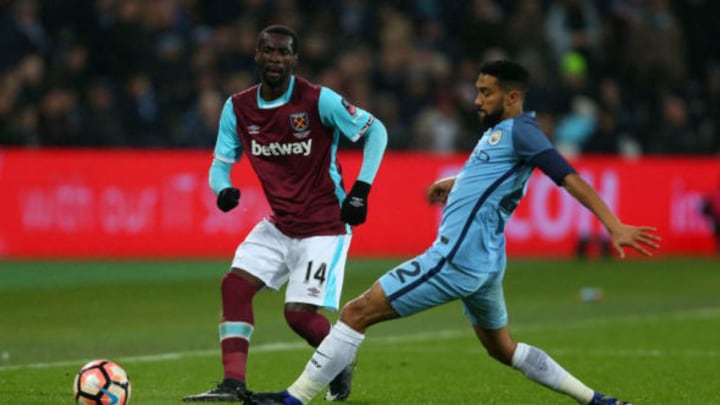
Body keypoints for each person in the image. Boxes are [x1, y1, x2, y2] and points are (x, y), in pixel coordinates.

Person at [247, 60, 661, 405]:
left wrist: (613, 225)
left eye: (486, 93)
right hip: (486, 260)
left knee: (357, 312)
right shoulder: (501, 134)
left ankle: (292, 398)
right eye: (478, 91)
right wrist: (456, 183)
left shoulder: (523, 131)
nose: (477, 100)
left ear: (512, 97)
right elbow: (490, 174)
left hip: (456, 258)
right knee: (503, 349)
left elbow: (566, 177)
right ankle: (596, 400)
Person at [182, 25, 388, 402]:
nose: (275, 59)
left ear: (295, 59)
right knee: (235, 285)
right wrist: (222, 188)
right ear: (256, 55)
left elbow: (378, 132)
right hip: (281, 223)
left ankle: (340, 359)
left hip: (325, 226)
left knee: (298, 315)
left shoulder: (318, 100)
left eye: (283, 52)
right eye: (268, 51)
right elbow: (219, 164)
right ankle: (233, 385)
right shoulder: (239, 107)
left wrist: (360, 190)